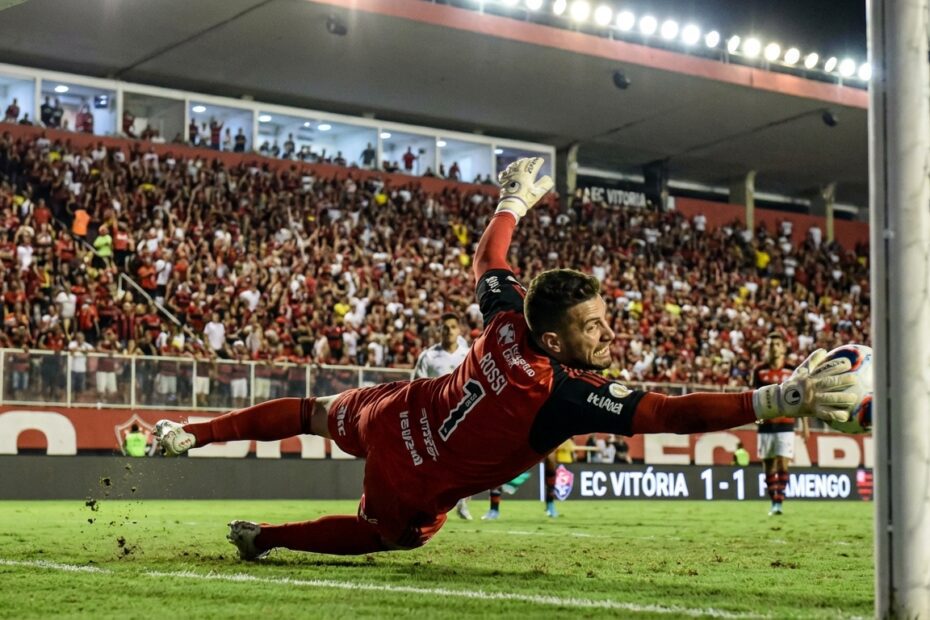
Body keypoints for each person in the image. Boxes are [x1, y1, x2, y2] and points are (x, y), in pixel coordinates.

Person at [154, 157, 858, 561]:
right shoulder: (561, 392)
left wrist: (514, 199)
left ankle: (195, 430)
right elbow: (667, 411)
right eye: (593, 328)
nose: (607, 337)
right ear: (554, 340)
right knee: (391, 537)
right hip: (416, 476)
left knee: (311, 413)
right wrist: (776, 400)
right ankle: (266, 538)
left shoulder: (506, 323)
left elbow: (491, 260)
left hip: (393, 412)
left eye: (606, 321)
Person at [412, 313, 471, 519]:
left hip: (463, 415)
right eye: (445, 327)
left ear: (459, 330)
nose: (449, 331)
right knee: (433, 461)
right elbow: (416, 386)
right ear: (440, 331)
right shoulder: (428, 356)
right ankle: (428, 504)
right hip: (435, 416)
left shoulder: (468, 354)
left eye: (453, 327)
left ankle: (463, 503)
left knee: (465, 461)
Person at [752, 332, 806, 516]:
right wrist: (755, 418)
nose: (773, 347)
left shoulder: (792, 371)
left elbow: (800, 400)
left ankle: (778, 502)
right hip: (766, 424)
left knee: (783, 464)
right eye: (770, 344)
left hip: (785, 424)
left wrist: (805, 425)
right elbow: (754, 397)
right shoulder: (759, 371)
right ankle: (773, 501)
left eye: (777, 344)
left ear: (783, 348)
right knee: (768, 465)